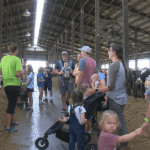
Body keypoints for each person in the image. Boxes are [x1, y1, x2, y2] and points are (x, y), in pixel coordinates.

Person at [85, 44, 130, 150]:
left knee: (120, 124)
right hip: (120, 98)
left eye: (109, 50)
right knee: (117, 123)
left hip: (115, 99)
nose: (108, 52)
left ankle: (123, 146)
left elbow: (110, 87)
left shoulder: (114, 65)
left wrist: (94, 90)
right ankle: (118, 145)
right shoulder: (121, 65)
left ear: (114, 52)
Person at [0, 43, 22, 133]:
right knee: (11, 105)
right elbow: (18, 74)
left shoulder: (3, 58)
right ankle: (8, 127)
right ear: (16, 50)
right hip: (14, 85)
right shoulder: (17, 59)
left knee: (11, 103)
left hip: (6, 85)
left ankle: (12, 122)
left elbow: (0, 72)